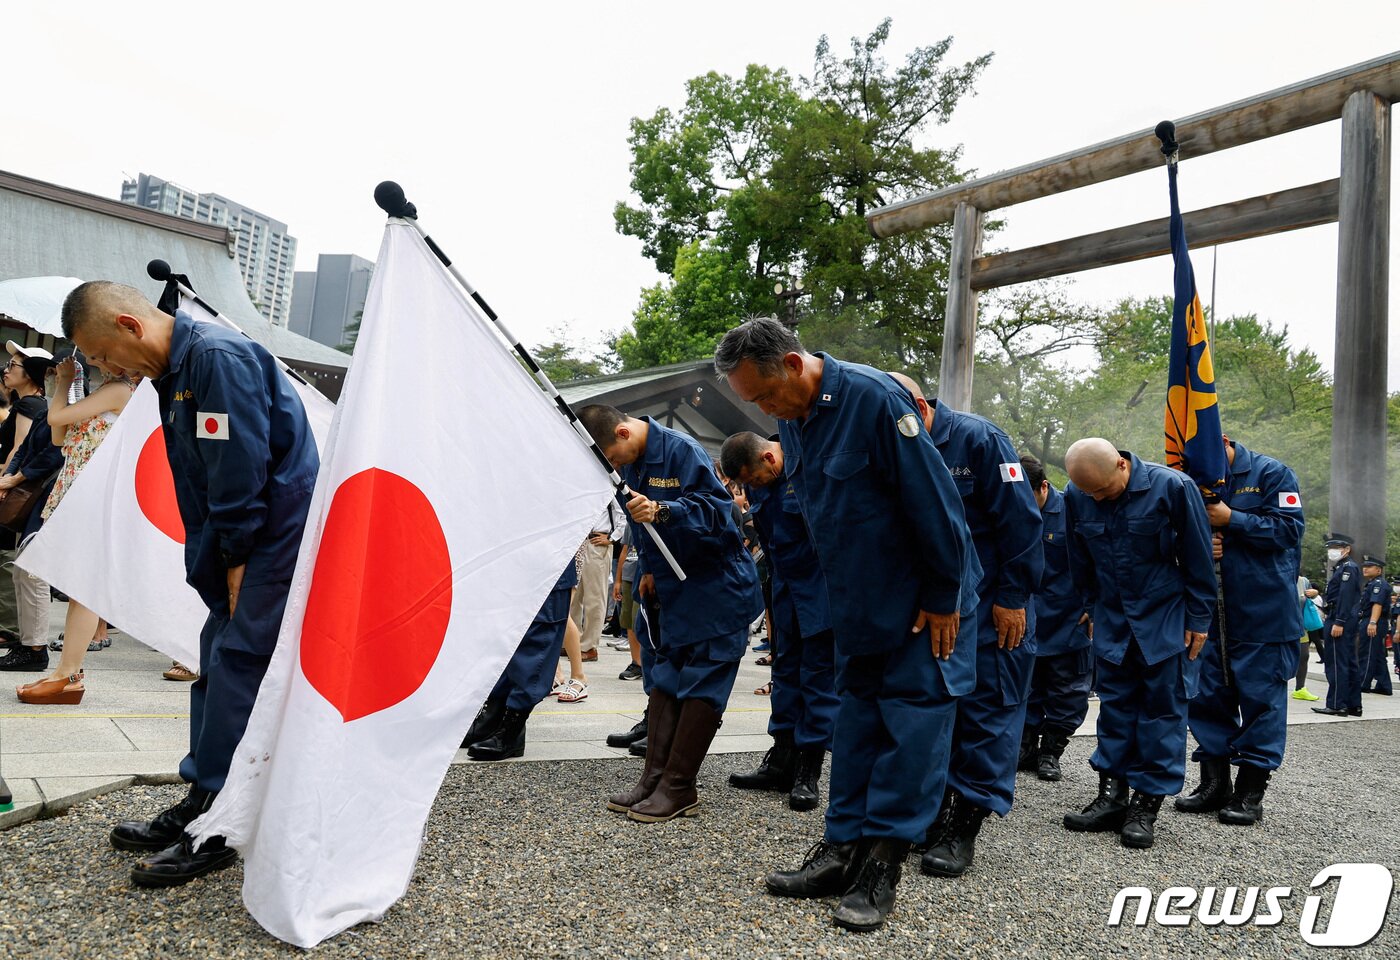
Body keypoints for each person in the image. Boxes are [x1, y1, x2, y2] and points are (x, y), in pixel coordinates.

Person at [716, 318, 977, 933]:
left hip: (918, 605)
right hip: (855, 603)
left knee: (911, 730)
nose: (764, 410)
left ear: (791, 363)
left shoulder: (874, 399)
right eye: (753, 403)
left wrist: (943, 595)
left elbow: (936, 505)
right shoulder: (790, 418)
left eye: (764, 395)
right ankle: (840, 850)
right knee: (855, 727)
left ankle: (881, 866)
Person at [62, 280, 318, 887]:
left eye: (99, 356)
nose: (103, 370)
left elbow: (240, 470)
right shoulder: (172, 371)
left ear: (129, 325)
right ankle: (202, 795)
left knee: (237, 666)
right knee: (214, 661)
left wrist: (234, 560)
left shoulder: (214, 359)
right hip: (228, 535)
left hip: (265, 533)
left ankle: (221, 823)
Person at [885, 373, 1043, 880]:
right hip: (937, 607)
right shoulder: (892, 439)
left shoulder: (980, 439)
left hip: (994, 604)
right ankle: (932, 813)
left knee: (989, 715)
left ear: (917, 406)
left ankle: (964, 827)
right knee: (939, 716)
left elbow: (1021, 522)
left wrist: (1014, 598)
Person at [578, 403, 762, 824]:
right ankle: (653, 779)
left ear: (623, 433)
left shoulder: (681, 450)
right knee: (666, 679)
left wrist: (664, 510)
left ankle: (679, 786)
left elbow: (720, 513)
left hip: (717, 588)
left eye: (609, 456)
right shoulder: (630, 463)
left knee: (701, 684)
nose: (612, 467)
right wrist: (648, 571)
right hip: (673, 590)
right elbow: (643, 531)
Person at [1060, 438, 1214, 850]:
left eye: (1102, 490)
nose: (1095, 498)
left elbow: (1199, 556)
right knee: (1115, 708)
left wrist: (1199, 618)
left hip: (1165, 617)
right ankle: (1111, 797)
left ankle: (1146, 806)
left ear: (1122, 466)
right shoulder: (1079, 494)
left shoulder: (1173, 487)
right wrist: (1090, 603)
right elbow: (1079, 555)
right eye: (1087, 493)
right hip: (1112, 616)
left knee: (1161, 712)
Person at [1174, 437, 1304, 826]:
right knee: (1207, 697)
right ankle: (1215, 784)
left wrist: (1233, 521)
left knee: (1262, 702)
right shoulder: (1189, 481)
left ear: (1224, 442)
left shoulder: (1273, 474)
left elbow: (1289, 531)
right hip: (1208, 614)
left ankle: (1250, 791)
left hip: (1263, 614)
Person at [720, 432, 838, 812]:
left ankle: (809, 769)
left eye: (754, 480)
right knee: (784, 676)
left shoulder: (811, 469)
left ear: (769, 460)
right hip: (785, 590)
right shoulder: (762, 485)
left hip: (821, 591)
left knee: (817, 679)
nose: (752, 488)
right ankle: (781, 759)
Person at [16, 354, 138, 703]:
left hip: (93, 495)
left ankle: (68, 675)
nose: (99, 358)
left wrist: (66, 383)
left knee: (84, 588)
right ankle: (66, 673)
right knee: (77, 588)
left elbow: (55, 418)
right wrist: (63, 387)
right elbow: (58, 436)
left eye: (102, 351)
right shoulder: (105, 390)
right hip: (80, 490)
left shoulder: (119, 390)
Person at [1017, 455, 1093, 783]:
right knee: (1025, 687)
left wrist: (1096, 602)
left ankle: (1051, 751)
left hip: (1068, 618)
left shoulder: (1072, 513)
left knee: (1069, 692)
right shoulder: (1012, 511)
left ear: (1044, 486)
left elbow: (1098, 559)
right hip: (1027, 618)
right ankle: (1025, 747)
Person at [462, 560, 579, 759]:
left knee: (536, 640)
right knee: (506, 639)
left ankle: (513, 727)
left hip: (547, 561)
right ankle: (493, 717)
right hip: (516, 566)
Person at [0, 343, 63, 674]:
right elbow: (23, 450)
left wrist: (13, 479)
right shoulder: (44, 410)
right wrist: (11, 477)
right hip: (32, 495)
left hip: (49, 497)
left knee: (32, 572)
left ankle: (35, 648)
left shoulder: (57, 410)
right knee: (24, 571)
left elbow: (54, 454)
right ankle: (27, 645)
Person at [1315, 533, 1362, 717]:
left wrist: (1339, 621)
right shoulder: (1344, 567)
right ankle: (1353, 704)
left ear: (1347, 549)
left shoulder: (1347, 569)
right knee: (1348, 661)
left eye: (1335, 548)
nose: (1331, 552)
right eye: (1330, 549)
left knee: (1336, 662)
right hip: (1341, 617)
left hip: (1340, 617)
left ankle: (1336, 704)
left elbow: (1345, 596)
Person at [570, 500, 623, 662]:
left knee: (594, 598)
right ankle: (573, 642)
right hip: (577, 542)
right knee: (573, 597)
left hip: (597, 542)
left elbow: (623, 516)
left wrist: (612, 538)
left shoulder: (609, 486)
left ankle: (589, 646)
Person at [1358, 557, 1392, 698]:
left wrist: (1372, 623)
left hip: (1374, 620)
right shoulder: (1371, 583)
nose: (1365, 568)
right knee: (1377, 654)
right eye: (1364, 566)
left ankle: (1362, 683)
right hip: (1372, 620)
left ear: (1378, 570)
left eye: (1370, 566)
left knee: (1368, 653)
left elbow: (1377, 604)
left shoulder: (1379, 584)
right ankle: (1384, 685)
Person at [1293, 574, 1324, 701]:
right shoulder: (1278, 576)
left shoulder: (1303, 581)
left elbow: (1311, 595)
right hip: (1281, 625)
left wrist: (1315, 593)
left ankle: (1300, 689)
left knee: (1304, 655)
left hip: (1300, 625)